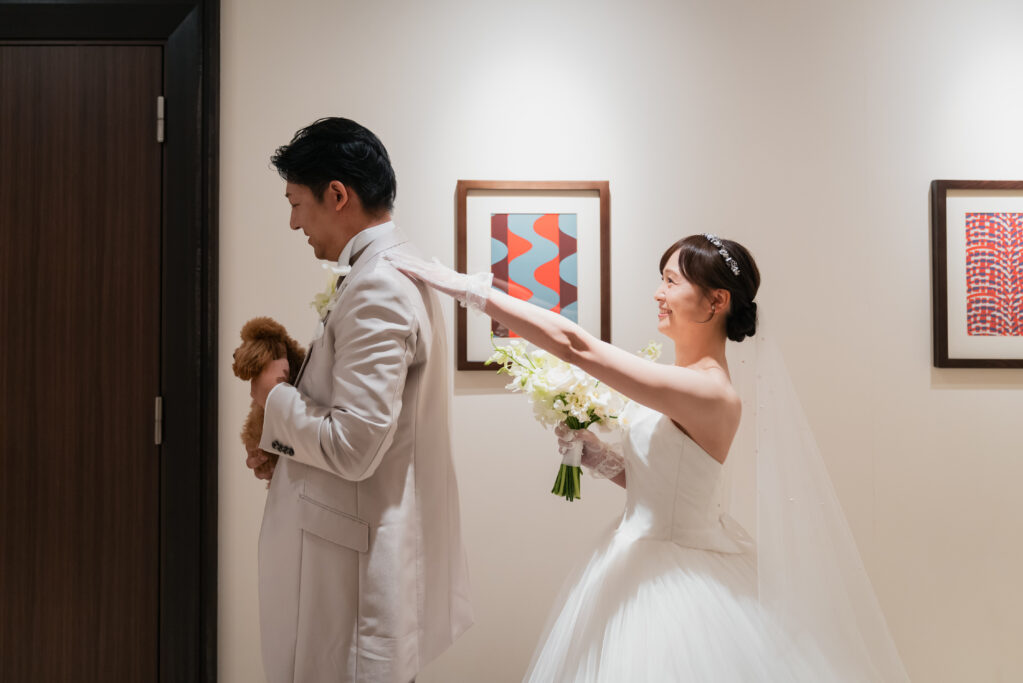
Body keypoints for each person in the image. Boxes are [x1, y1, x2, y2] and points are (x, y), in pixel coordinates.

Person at [386, 234, 910, 682]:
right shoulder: (683, 383)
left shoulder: (710, 391)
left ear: (715, 301)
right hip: (632, 550)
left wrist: (470, 290)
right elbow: (667, 480)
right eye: (661, 280)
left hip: (677, 582)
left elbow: (576, 346)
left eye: (671, 282)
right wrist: (597, 456)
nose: (658, 294)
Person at [247, 117, 472, 683]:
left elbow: (354, 446)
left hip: (353, 575)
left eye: (296, 203)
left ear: (337, 195)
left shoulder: (378, 285)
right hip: (354, 551)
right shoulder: (387, 269)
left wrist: (274, 398)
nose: (294, 222)